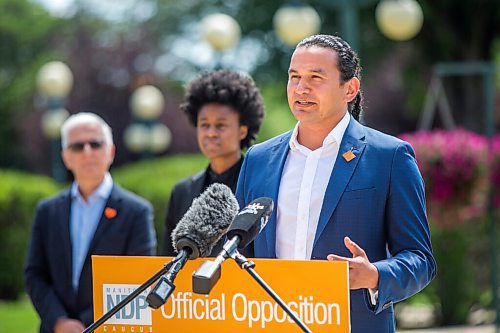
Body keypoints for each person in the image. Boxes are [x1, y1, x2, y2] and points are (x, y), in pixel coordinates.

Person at [235, 34, 436, 332]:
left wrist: (375, 275)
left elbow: (421, 260)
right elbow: (238, 252)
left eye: (316, 77)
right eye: (295, 77)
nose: (301, 88)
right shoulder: (258, 159)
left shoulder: (390, 157)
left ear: (350, 89)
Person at [25, 112, 157, 333]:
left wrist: (87, 325)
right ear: (65, 157)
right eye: (77, 146)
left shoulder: (137, 212)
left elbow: (137, 279)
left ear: (111, 152)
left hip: (109, 328)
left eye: (95, 144)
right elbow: (35, 274)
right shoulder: (47, 211)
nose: (87, 152)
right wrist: (58, 321)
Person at [161, 70, 264, 256]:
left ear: (242, 130)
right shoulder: (182, 191)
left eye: (221, 125)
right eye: (204, 125)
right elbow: (167, 258)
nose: (211, 133)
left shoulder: (259, 188)